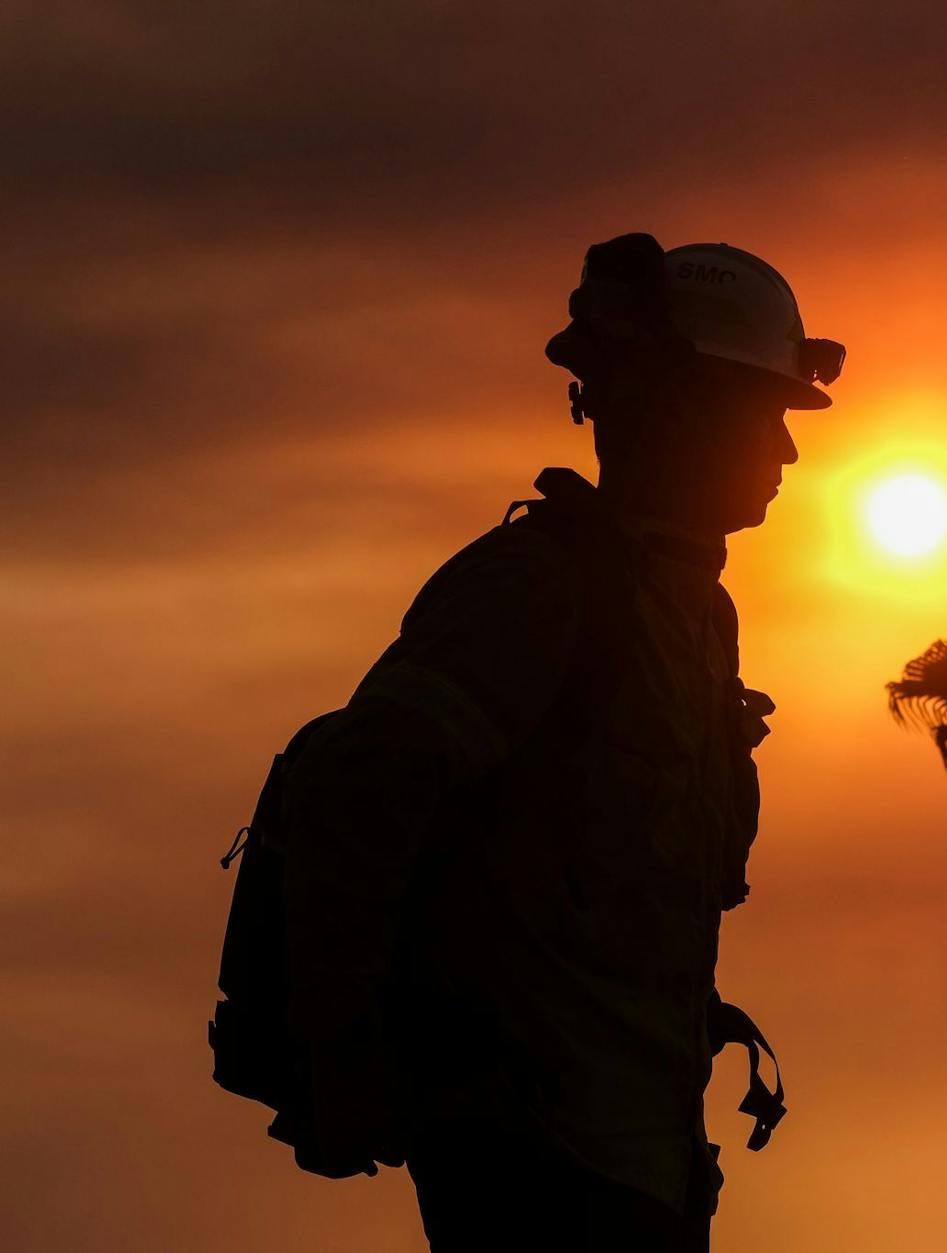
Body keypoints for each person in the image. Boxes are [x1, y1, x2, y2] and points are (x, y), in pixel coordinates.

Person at [275, 232, 842, 1251]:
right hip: (532, 1165)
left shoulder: (695, 620)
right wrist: (344, 1048)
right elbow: (358, 785)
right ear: (682, 409)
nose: (788, 450)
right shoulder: (539, 589)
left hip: (641, 1164)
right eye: (765, 413)